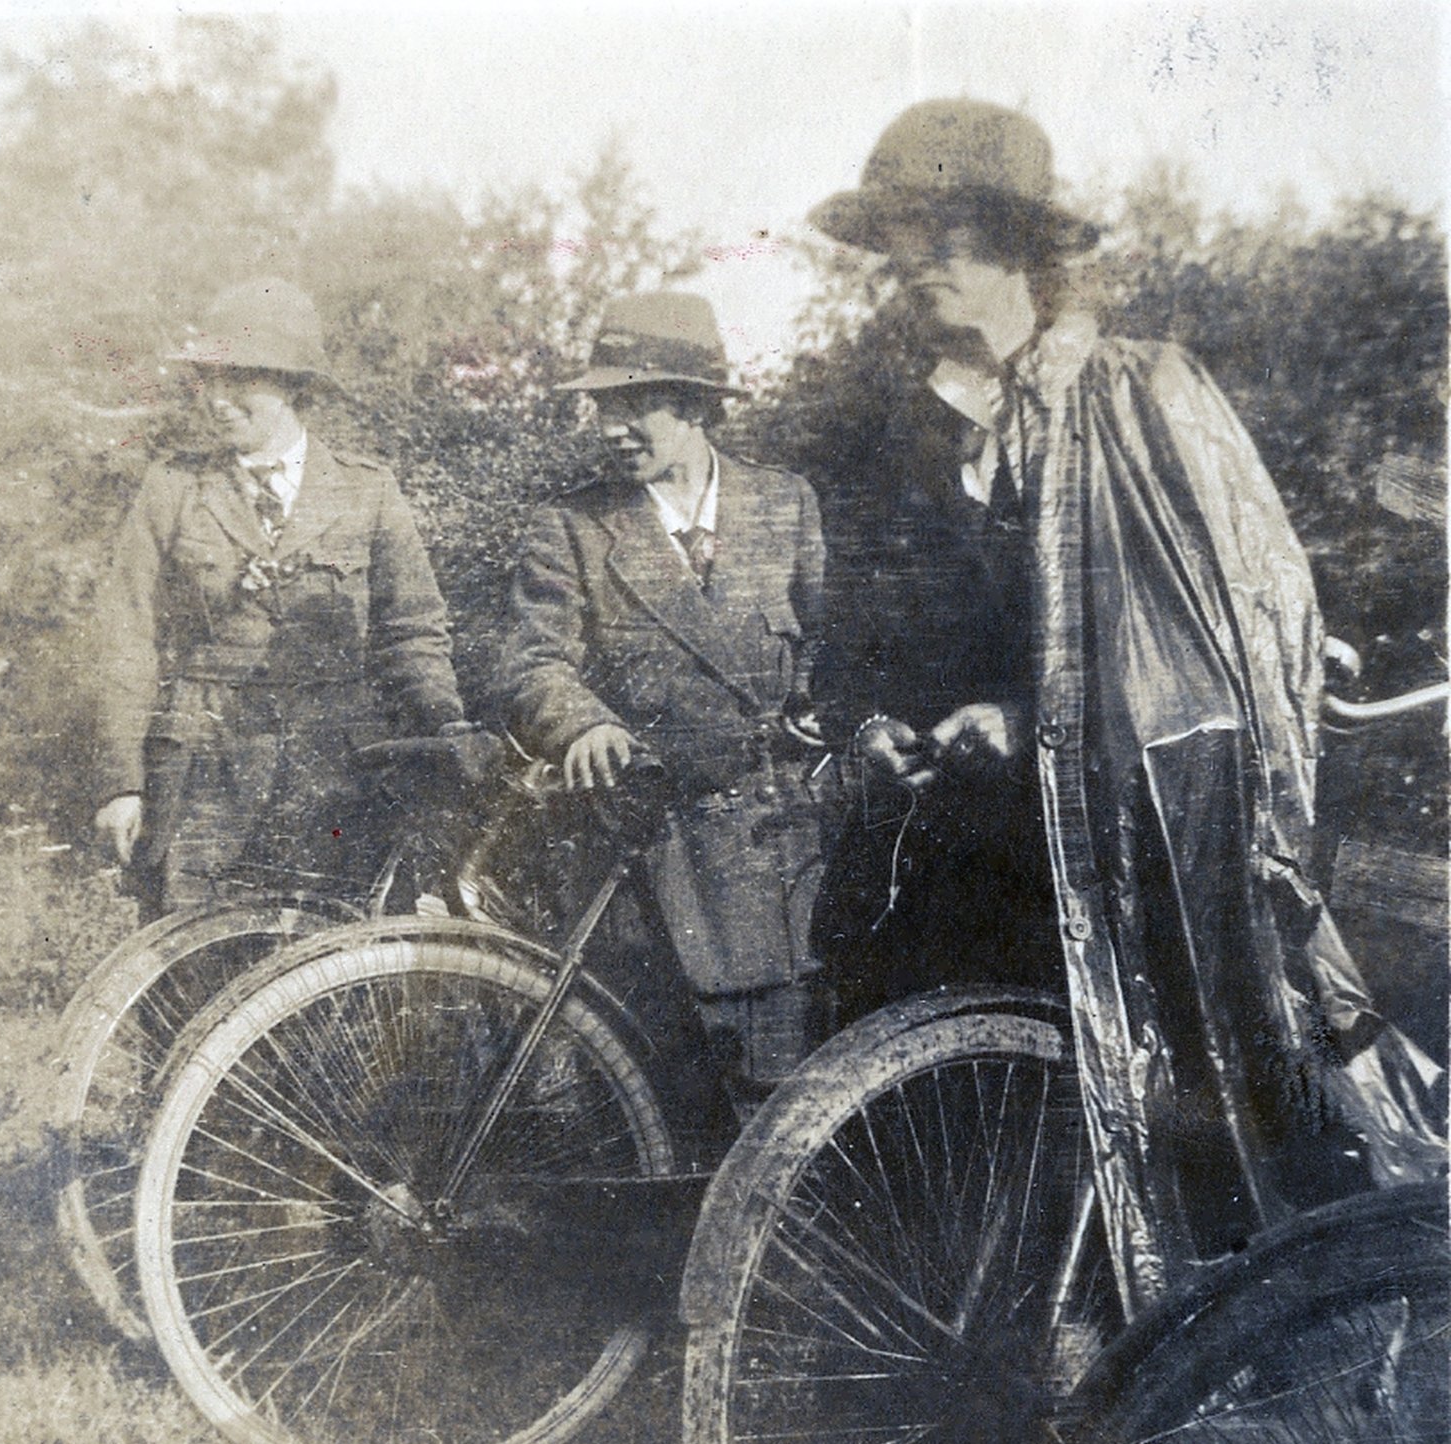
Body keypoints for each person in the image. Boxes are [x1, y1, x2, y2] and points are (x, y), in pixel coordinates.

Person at [806, 100, 1444, 1307]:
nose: (918, 262)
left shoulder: (1136, 399)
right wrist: (876, 722)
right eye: (902, 237)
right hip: (965, 855)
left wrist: (1023, 709)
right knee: (967, 1132)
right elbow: (864, 633)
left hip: (1131, 846)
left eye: (951, 234)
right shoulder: (890, 433)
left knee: (1183, 1110)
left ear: (1021, 249)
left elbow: (1214, 626)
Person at [496, 291, 827, 1107]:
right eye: (603, 406)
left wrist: (828, 711)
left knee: (785, 1097)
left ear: (694, 406)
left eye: (634, 403)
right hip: (646, 861)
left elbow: (836, 649)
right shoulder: (571, 526)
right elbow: (532, 662)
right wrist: (582, 723)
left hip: (779, 851)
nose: (612, 427)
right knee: (657, 1100)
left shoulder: (785, 505)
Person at [92, 277, 466, 918]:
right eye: (207, 379)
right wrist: (123, 784)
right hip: (201, 779)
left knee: (338, 982)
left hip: (338, 781)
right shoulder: (174, 489)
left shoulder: (366, 492)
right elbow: (127, 640)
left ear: (295, 385)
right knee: (193, 977)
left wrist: (444, 733)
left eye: (240, 379)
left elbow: (412, 636)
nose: (217, 399)